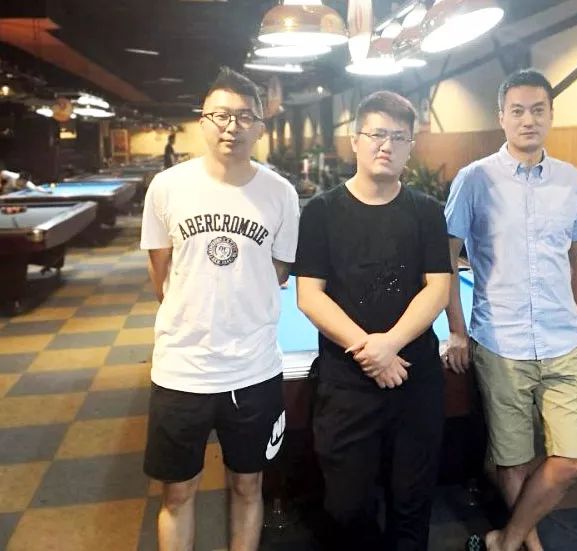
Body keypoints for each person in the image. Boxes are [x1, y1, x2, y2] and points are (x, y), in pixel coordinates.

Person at [140, 66, 299, 551]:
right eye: (220, 115)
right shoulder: (166, 187)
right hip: (181, 370)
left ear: (260, 127)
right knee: (177, 493)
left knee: (248, 486)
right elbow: (160, 272)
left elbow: (278, 272)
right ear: (202, 121)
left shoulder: (281, 194)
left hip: (253, 369)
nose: (232, 126)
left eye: (245, 116)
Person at [443, 69, 577, 551]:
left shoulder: (572, 180)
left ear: (551, 115)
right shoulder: (474, 179)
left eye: (537, 110)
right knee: (511, 461)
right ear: (502, 117)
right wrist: (456, 329)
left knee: (574, 460)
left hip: (561, 341)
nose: (528, 120)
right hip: (501, 341)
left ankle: (506, 539)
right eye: (517, 111)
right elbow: (446, 258)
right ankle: (528, 546)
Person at [293, 91, 451, 551]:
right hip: (347, 380)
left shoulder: (426, 211)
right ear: (355, 140)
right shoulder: (321, 211)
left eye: (399, 137)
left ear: (410, 147)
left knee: (412, 504)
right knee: (346, 507)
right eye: (377, 134)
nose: (387, 145)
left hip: (415, 377)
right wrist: (370, 350)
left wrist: (390, 345)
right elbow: (309, 295)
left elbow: (438, 288)